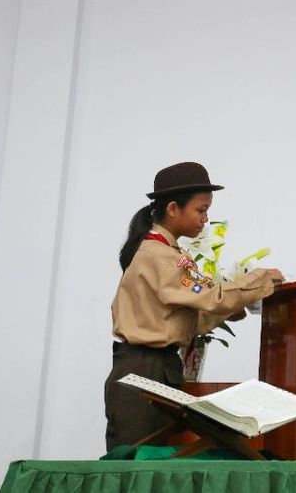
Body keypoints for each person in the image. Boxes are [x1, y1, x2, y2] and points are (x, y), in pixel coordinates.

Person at [103, 161, 282, 450]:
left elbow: (193, 316)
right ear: (173, 208)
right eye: (201, 210)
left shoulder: (171, 253)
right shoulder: (160, 257)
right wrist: (258, 282)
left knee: (154, 465)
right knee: (135, 467)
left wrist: (237, 305)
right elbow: (209, 296)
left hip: (157, 368)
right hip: (143, 370)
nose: (205, 219)